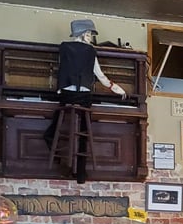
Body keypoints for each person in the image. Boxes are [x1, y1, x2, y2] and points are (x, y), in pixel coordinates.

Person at [45, 19, 126, 184]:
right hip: (84, 97)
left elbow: (62, 70)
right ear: (82, 34)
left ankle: (60, 160)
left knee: (52, 130)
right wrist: (117, 89)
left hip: (66, 95)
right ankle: (81, 173)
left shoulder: (64, 47)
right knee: (83, 132)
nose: (90, 38)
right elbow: (100, 75)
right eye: (88, 34)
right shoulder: (90, 51)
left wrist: (61, 90)